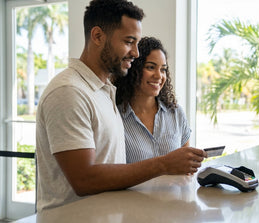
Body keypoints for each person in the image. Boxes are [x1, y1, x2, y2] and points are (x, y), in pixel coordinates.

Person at [36, 0, 206, 211]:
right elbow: (84, 180)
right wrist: (163, 164)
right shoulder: (68, 91)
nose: (136, 53)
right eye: (128, 41)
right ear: (98, 36)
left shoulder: (104, 91)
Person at [113, 37, 191, 163]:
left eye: (163, 69)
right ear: (134, 69)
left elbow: (187, 167)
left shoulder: (176, 113)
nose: (159, 76)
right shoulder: (116, 116)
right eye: (150, 67)